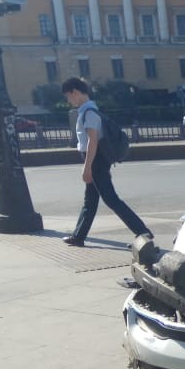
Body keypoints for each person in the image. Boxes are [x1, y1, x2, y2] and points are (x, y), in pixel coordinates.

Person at [60, 77, 152, 248]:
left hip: (96, 162)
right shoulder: (89, 111)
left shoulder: (89, 114)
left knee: (111, 200)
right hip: (97, 160)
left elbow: (92, 142)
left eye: (68, 96)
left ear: (76, 92)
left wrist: (87, 168)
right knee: (90, 201)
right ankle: (78, 236)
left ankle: (143, 233)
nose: (68, 100)